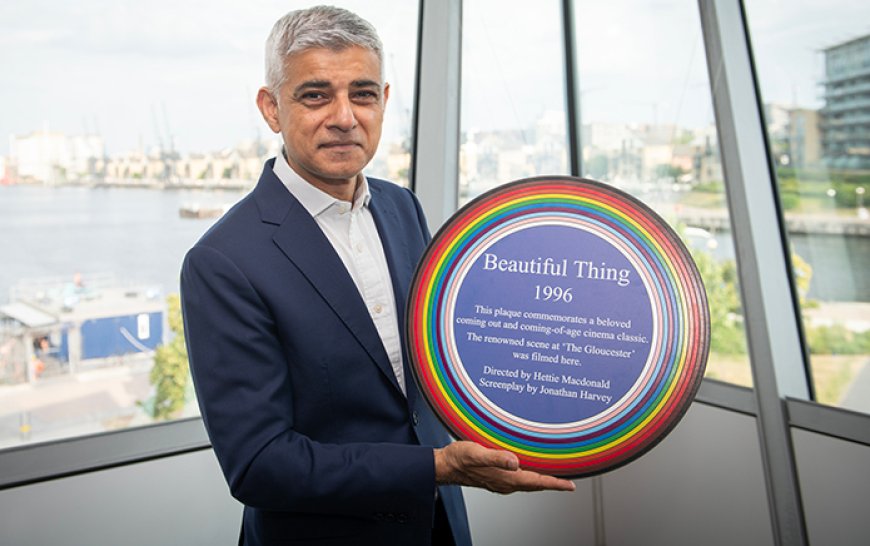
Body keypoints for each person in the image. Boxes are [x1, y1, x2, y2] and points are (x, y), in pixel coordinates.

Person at [180, 6, 574, 545]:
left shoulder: (402, 208)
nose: (345, 116)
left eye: (362, 94)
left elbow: (441, 364)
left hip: (439, 528)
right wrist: (436, 468)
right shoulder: (223, 262)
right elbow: (260, 464)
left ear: (384, 102)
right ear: (271, 108)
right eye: (316, 95)